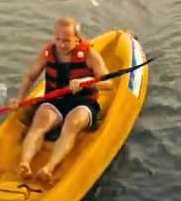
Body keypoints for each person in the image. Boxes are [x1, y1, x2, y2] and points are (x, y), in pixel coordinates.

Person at [11, 16, 110, 184]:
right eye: (57, 39)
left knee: (72, 124)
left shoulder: (89, 54)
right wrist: (19, 99)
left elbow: (109, 84)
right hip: (55, 99)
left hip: (82, 102)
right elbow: (30, 76)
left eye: (66, 41)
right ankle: (25, 163)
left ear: (77, 38)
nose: (61, 45)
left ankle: (48, 168)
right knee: (39, 123)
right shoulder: (48, 52)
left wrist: (87, 82)